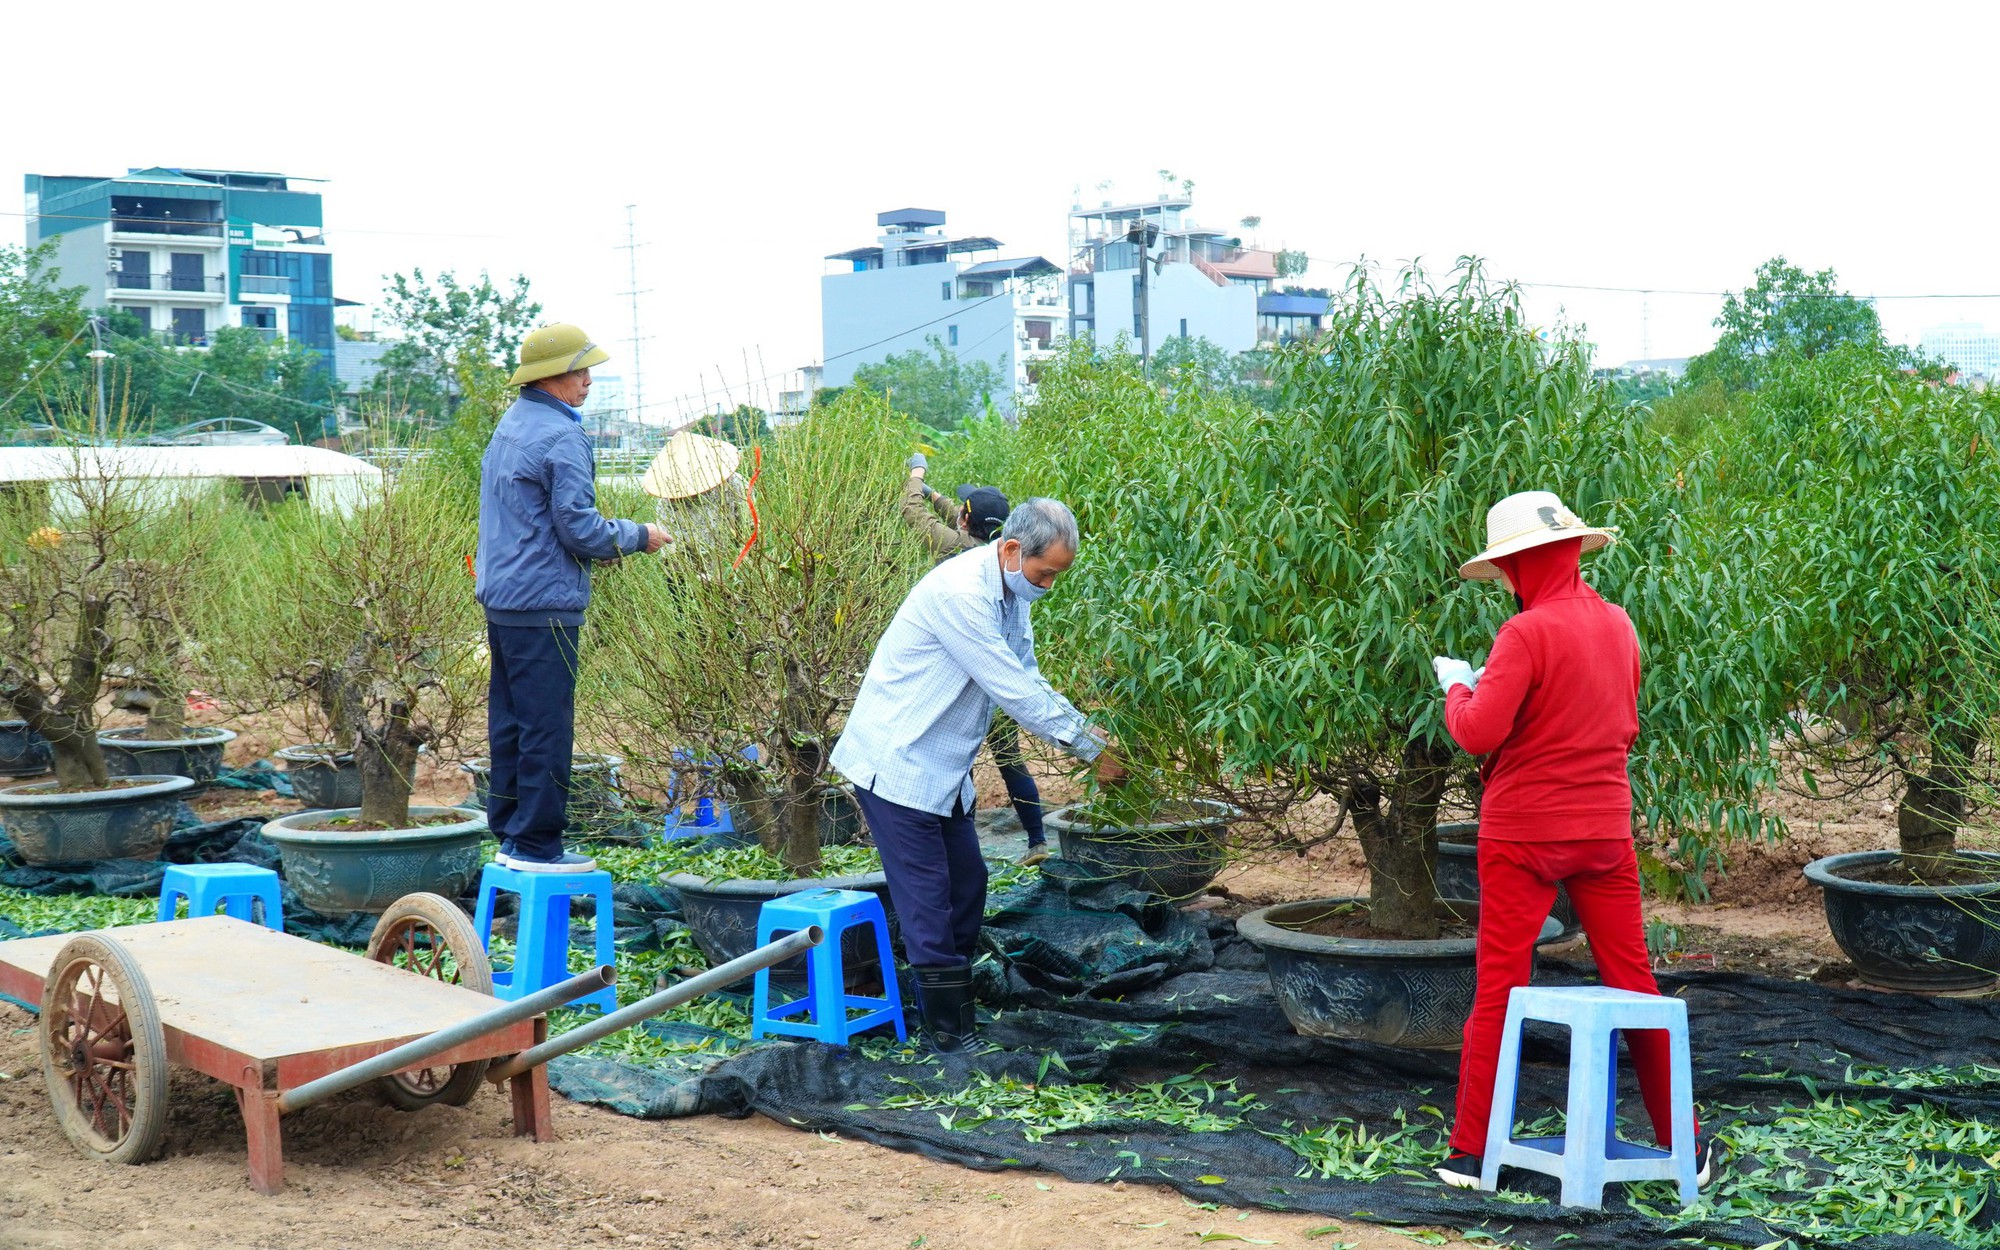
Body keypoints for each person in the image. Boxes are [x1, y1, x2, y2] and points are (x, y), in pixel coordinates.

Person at [1429, 490, 1710, 1189]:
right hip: (1605, 830)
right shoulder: (1619, 624)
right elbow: (1625, 720)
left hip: (1523, 834)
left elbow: (1477, 734)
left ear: (1519, 565)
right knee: (1635, 985)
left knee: (1500, 989)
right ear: (1571, 550)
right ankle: (1687, 1146)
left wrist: (1458, 687)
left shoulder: (1523, 635)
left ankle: (1470, 1153)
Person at [831, 497, 1125, 1051]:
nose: (1049, 586)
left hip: (944, 768)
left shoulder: (1011, 595)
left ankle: (952, 1006)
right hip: (899, 765)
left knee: (969, 882)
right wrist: (1089, 747)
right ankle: (947, 1037)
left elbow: (1028, 676)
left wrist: (1088, 732)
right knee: (928, 899)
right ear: (1012, 550)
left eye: (1058, 576)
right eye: (1045, 574)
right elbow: (1010, 686)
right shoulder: (960, 594)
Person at [475, 324, 668, 872]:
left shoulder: (512, 423)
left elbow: (534, 520)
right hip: (544, 605)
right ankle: (538, 846)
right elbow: (580, 529)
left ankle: (512, 835)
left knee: (511, 720)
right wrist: (638, 536)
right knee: (547, 726)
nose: (588, 381)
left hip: (504, 598)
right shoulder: (562, 436)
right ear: (551, 376)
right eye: (580, 371)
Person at [901, 452, 1052, 866]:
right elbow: (958, 511)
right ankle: (1037, 841)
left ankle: (960, 848)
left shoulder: (953, 548)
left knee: (957, 760)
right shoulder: (1005, 555)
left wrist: (917, 476)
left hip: (966, 676)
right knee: (1009, 757)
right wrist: (939, 495)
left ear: (965, 524)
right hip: (1001, 671)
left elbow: (910, 510)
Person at [643, 429, 750, 564]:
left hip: (732, 564)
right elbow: (672, 554)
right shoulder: (668, 501)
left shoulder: (734, 485)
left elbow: (749, 529)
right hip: (692, 569)